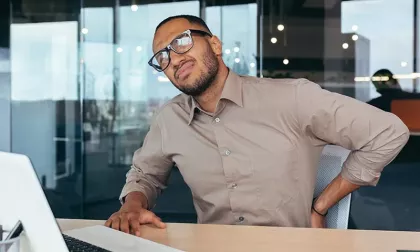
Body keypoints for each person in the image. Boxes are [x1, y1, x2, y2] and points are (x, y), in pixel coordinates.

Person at [105, 15, 409, 235]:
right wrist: (132, 204)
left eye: (181, 41)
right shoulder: (169, 119)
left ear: (214, 44)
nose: (173, 58)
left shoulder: (292, 97)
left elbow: (388, 133)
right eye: (162, 56)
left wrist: (321, 205)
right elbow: (145, 173)